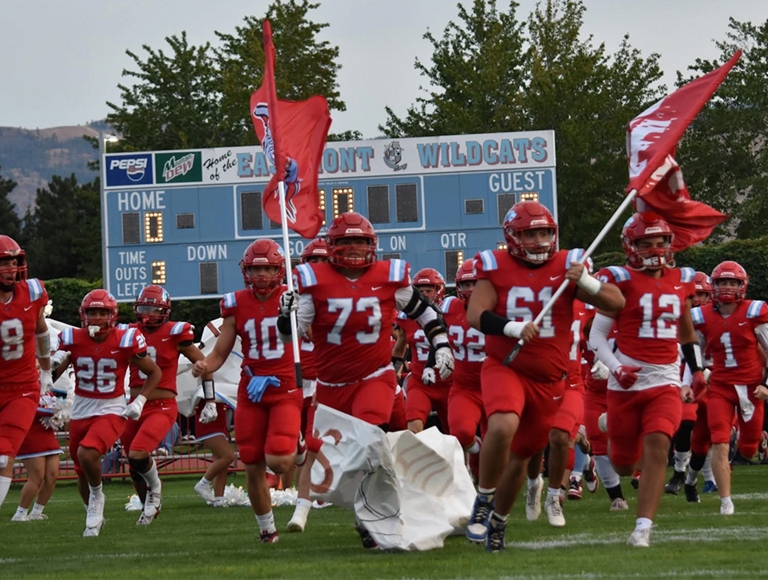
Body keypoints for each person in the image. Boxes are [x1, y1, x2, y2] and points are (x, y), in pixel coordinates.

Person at [280, 211, 453, 548]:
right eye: (347, 241)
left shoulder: (389, 277)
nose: (355, 247)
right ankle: (360, 514)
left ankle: (363, 510)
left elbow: (426, 312)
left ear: (372, 244)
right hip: (331, 385)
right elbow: (290, 338)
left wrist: (442, 345)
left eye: (360, 241)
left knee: (368, 438)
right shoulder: (314, 282)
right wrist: (284, 316)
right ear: (333, 245)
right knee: (319, 449)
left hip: (375, 375)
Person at [466, 201, 624, 552]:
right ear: (512, 236)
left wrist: (588, 283)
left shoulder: (568, 264)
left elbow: (616, 304)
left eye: (543, 233)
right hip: (506, 364)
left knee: (522, 456)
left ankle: (499, 521)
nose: (538, 240)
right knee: (503, 425)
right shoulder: (496, 265)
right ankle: (483, 500)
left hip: (551, 380)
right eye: (530, 233)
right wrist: (510, 326)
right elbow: (476, 315)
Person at [590, 212, 705, 547]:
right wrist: (616, 368)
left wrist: (696, 370)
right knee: (624, 464)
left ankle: (642, 529)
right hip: (626, 379)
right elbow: (596, 337)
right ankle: (613, 427)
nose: (655, 249)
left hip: (665, 379)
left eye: (660, 242)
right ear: (631, 246)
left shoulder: (682, 278)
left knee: (658, 444)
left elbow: (686, 334)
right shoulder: (620, 280)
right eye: (646, 243)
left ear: (670, 245)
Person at [193, 239, 303, 544]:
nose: (262, 275)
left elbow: (310, 333)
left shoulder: (292, 297)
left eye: (268, 268)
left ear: (279, 270)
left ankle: (299, 440)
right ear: (246, 270)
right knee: (252, 460)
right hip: (252, 390)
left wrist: (297, 311)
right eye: (256, 268)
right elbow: (221, 352)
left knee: (280, 462)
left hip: (283, 386)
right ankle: (267, 529)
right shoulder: (235, 303)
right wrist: (205, 365)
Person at [55, 289, 161, 536]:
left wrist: (141, 400)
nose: (98, 318)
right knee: (81, 470)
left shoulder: (125, 339)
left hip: (111, 408)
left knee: (87, 452)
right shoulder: (71, 338)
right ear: (84, 315)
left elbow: (154, 372)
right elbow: (54, 372)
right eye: (93, 312)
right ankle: (94, 511)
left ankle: (97, 497)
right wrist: (46, 379)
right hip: (81, 408)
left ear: (112, 315)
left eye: (103, 312)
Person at [122, 284, 218, 525]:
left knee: (138, 452)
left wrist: (210, 399)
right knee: (133, 466)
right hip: (135, 405)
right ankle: (148, 509)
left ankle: (156, 487)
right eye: (144, 308)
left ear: (165, 311)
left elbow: (204, 364)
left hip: (162, 405)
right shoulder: (128, 331)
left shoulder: (176, 333)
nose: (148, 315)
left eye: (154, 310)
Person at [687, 261, 768, 515]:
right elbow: (692, 353)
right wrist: (691, 379)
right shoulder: (701, 315)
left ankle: (760, 442)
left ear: (742, 285)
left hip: (752, 387)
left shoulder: (755, 311)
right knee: (719, 441)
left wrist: (766, 384)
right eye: (722, 282)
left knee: (747, 448)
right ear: (713, 285)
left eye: (732, 282)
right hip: (720, 386)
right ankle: (726, 502)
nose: (727, 287)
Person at [0, 235, 53, 513]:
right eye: (3, 263)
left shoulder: (31, 293)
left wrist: (45, 370)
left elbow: (41, 330)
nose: (10, 269)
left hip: (22, 387)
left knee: (3, 451)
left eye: (12, 262)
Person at [288, 238, 328, 533]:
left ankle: (317, 494)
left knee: (315, 443)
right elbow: (279, 337)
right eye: (312, 262)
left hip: (328, 381)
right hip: (295, 380)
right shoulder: (293, 298)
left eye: (322, 261)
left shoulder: (340, 298)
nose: (316, 268)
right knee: (290, 443)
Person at [666, 271, 711, 499]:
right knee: (685, 421)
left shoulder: (714, 318)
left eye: (702, 295)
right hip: (687, 379)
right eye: (694, 295)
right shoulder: (679, 319)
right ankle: (679, 472)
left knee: (704, 440)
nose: (697, 300)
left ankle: (692, 482)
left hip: (715, 386)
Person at [393, 267, 451, 433]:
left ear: (439, 290)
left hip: (449, 382)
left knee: (456, 434)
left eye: (429, 290)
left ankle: (464, 460)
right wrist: (394, 371)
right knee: (413, 428)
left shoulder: (450, 312)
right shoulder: (406, 317)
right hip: (420, 382)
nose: (424, 294)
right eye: (420, 290)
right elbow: (400, 346)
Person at [441, 259, 486, 476]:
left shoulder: (501, 307)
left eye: (474, 284)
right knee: (461, 432)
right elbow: (435, 334)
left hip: (496, 385)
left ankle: (484, 478)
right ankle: (477, 451)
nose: (469, 290)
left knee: (500, 442)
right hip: (464, 386)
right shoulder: (449, 308)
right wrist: (440, 355)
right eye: (465, 284)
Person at [11, 404, 61, 521]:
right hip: (31, 436)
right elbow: (29, 408)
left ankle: (37, 512)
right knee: (37, 477)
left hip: (47, 436)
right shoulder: (27, 391)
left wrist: (62, 413)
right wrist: (52, 411)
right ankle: (20, 513)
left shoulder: (49, 393)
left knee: (52, 476)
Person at [193, 399, 235, 507]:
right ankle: (203, 483)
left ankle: (218, 500)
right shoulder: (205, 385)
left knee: (222, 464)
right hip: (208, 423)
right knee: (228, 456)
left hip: (220, 422)